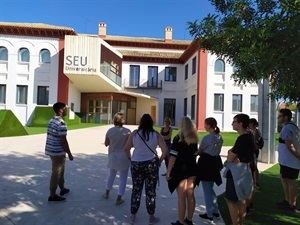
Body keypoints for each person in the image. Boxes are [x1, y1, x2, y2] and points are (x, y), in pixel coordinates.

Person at [125, 114, 167, 225]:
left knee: (136, 189)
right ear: (151, 123)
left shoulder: (134, 134)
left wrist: (131, 158)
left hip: (136, 164)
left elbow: (126, 148)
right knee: (150, 191)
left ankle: (133, 215)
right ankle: (151, 216)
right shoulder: (156, 134)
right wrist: (160, 161)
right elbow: (165, 150)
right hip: (151, 164)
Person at [166, 116, 199, 225]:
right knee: (190, 194)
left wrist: (169, 171)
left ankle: (180, 222)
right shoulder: (194, 138)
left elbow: (173, 157)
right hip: (192, 169)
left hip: (180, 169)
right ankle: (189, 220)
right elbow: (195, 154)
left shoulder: (178, 138)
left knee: (181, 196)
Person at [224, 114, 254, 225]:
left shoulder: (242, 138)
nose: (232, 123)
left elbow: (230, 157)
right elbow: (231, 153)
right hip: (244, 171)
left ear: (240, 123)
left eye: (234, 121)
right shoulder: (249, 136)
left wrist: (231, 155)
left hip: (236, 174)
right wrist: (231, 154)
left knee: (231, 201)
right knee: (241, 200)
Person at [45, 102, 74, 202]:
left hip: (52, 149)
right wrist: (69, 153)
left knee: (61, 171)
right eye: (65, 108)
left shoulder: (52, 120)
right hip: (57, 152)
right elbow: (63, 140)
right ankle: (52, 196)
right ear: (61, 109)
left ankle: (62, 189)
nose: (66, 109)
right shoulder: (61, 123)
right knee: (56, 173)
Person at [196, 117, 223, 222]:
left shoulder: (207, 138)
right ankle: (215, 211)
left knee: (207, 190)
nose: (204, 126)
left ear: (210, 125)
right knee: (210, 189)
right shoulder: (219, 137)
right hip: (215, 163)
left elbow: (200, 151)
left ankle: (209, 213)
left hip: (206, 164)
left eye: (205, 124)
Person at [103, 112, 131, 205]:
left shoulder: (110, 131)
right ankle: (119, 197)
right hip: (124, 155)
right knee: (123, 177)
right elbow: (130, 145)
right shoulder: (127, 131)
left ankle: (107, 192)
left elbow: (106, 143)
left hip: (113, 155)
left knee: (111, 174)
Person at [276, 108, 300, 213]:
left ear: (286, 117)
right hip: (286, 161)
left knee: (291, 181)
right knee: (284, 178)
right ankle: (287, 201)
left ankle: (292, 204)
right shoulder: (292, 127)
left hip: (290, 161)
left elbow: (290, 146)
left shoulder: (287, 129)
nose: (278, 118)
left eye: (280, 116)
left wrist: (299, 156)